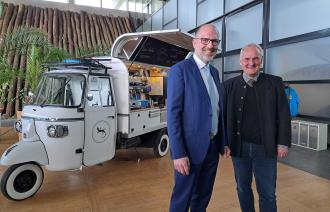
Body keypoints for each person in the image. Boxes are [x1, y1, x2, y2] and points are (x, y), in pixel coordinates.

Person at [167, 24, 230, 212]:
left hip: (212, 148)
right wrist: (178, 153)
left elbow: (217, 110)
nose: (210, 45)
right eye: (205, 40)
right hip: (189, 150)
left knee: (202, 197)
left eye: (214, 41)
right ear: (195, 42)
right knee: (182, 199)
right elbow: (173, 114)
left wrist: (223, 141)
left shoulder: (214, 73)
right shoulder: (180, 70)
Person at [222, 43, 291, 212]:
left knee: (267, 192)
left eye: (255, 59)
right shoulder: (228, 86)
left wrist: (283, 142)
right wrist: (223, 143)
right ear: (240, 61)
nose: (250, 63)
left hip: (266, 148)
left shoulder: (275, 83)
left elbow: (283, 114)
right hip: (239, 148)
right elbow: (222, 118)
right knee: (242, 188)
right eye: (246, 59)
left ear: (261, 60)